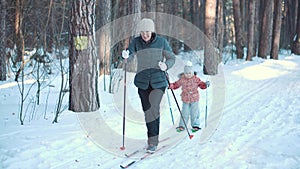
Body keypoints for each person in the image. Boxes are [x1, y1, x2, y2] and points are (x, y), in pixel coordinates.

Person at [121, 18, 175, 153]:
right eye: (143, 32)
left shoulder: (162, 42)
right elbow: (130, 55)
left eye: (148, 31)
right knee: (147, 111)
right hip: (143, 82)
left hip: (158, 82)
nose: (145, 34)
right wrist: (126, 55)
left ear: (152, 31)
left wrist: (166, 65)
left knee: (153, 109)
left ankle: (153, 141)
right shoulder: (136, 42)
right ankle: (151, 137)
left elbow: (171, 58)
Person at [168, 61, 209, 132]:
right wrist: (171, 85)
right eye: (186, 73)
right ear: (184, 73)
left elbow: (201, 85)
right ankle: (182, 125)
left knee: (195, 113)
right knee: (185, 113)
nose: (188, 75)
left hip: (195, 99)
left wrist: (205, 85)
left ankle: (195, 125)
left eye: (189, 73)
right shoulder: (182, 79)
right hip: (185, 99)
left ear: (192, 72)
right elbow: (176, 85)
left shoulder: (196, 79)